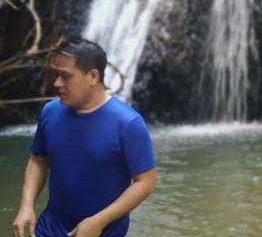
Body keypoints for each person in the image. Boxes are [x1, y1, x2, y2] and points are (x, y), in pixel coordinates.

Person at [12, 39, 156, 237]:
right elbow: (38, 160)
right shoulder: (50, 112)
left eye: (66, 76)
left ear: (93, 76)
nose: (56, 83)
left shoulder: (128, 124)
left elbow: (145, 183)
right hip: (48, 229)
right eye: (56, 75)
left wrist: (98, 221)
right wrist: (26, 206)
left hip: (101, 232)